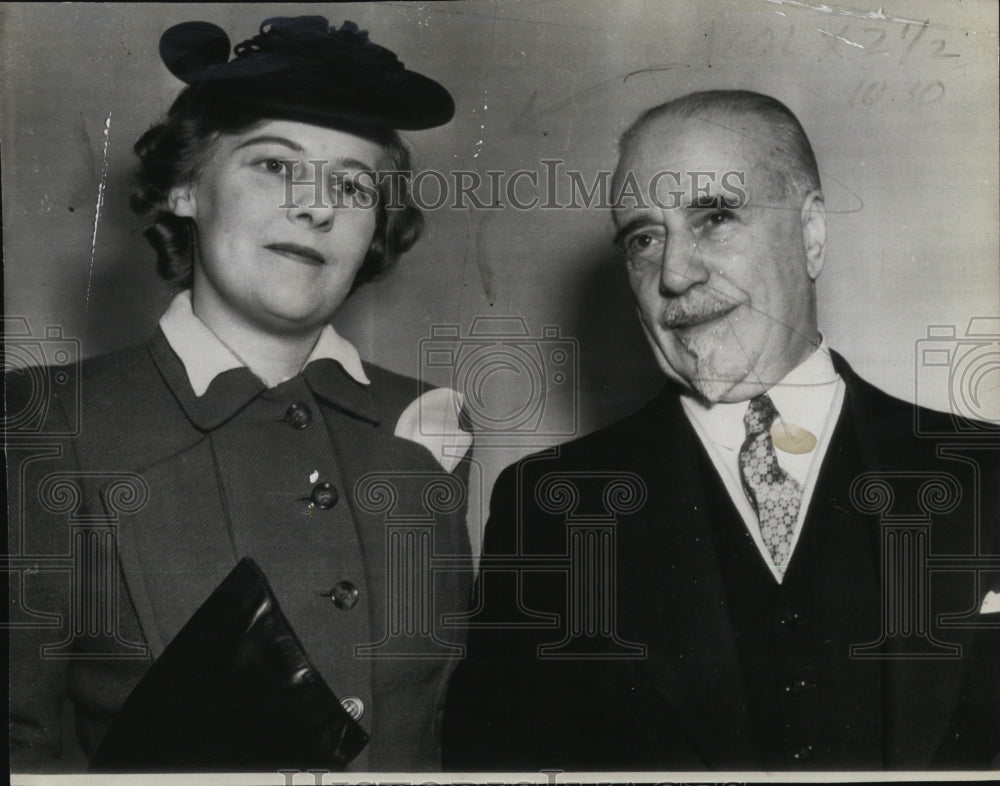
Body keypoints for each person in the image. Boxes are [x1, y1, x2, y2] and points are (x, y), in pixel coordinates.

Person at [444, 90, 999, 771]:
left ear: (812, 233)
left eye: (714, 217)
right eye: (644, 238)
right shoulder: (546, 509)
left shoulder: (987, 471)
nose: (673, 275)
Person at [8, 16, 472, 773]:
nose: (317, 207)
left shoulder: (430, 425)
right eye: (275, 166)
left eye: (353, 184)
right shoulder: (48, 424)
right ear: (187, 187)